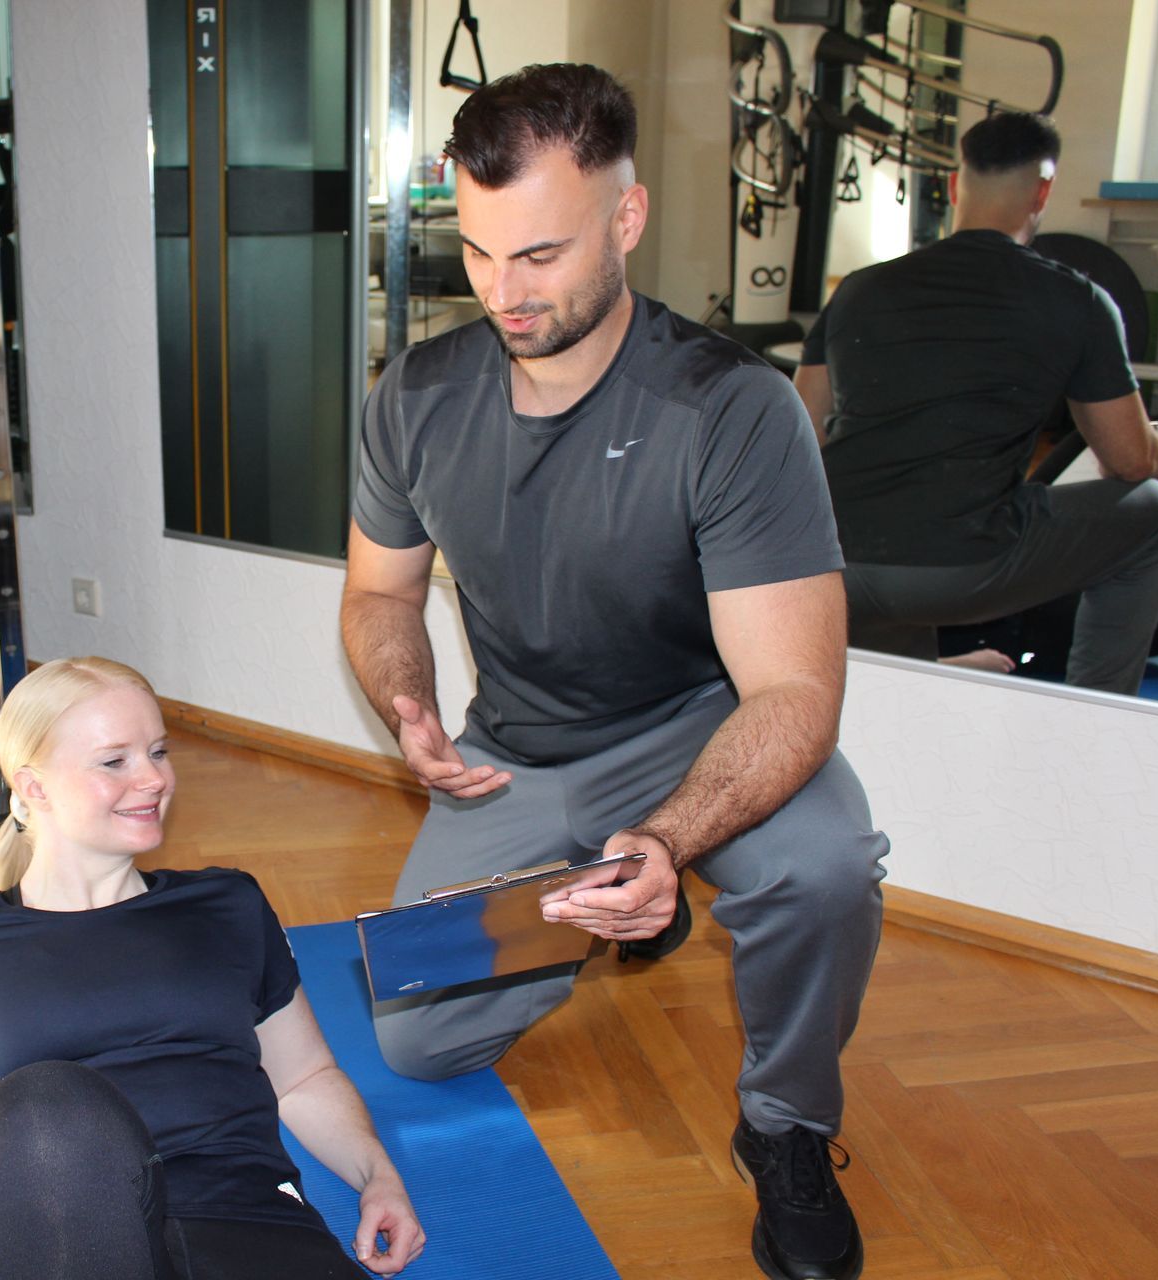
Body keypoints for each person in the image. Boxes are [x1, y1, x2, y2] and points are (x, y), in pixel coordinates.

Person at [340, 64, 889, 1280]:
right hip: (515, 756)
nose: (502, 291)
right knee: (421, 1038)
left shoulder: (731, 410)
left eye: (538, 253)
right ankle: (619, 905)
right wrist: (406, 701)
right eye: (478, 254)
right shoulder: (417, 397)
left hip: (696, 732)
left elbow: (796, 692)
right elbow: (380, 593)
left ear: (625, 220)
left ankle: (788, 1127)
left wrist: (672, 834)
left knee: (825, 863)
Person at [0, 657, 424, 1280]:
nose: (153, 779)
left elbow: (303, 1079)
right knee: (51, 1104)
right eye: (115, 761)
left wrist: (379, 1177)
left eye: (158, 751)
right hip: (54, 1222)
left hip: (237, 1214)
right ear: (35, 787)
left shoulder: (228, 906)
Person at [796, 111, 1158, 695]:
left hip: (834, 567)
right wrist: (1151, 448)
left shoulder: (859, 287)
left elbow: (797, 438)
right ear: (1043, 192)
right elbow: (1131, 464)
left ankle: (917, 676)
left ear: (956, 186)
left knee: (905, 514)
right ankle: (1094, 707)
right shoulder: (1076, 299)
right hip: (961, 573)